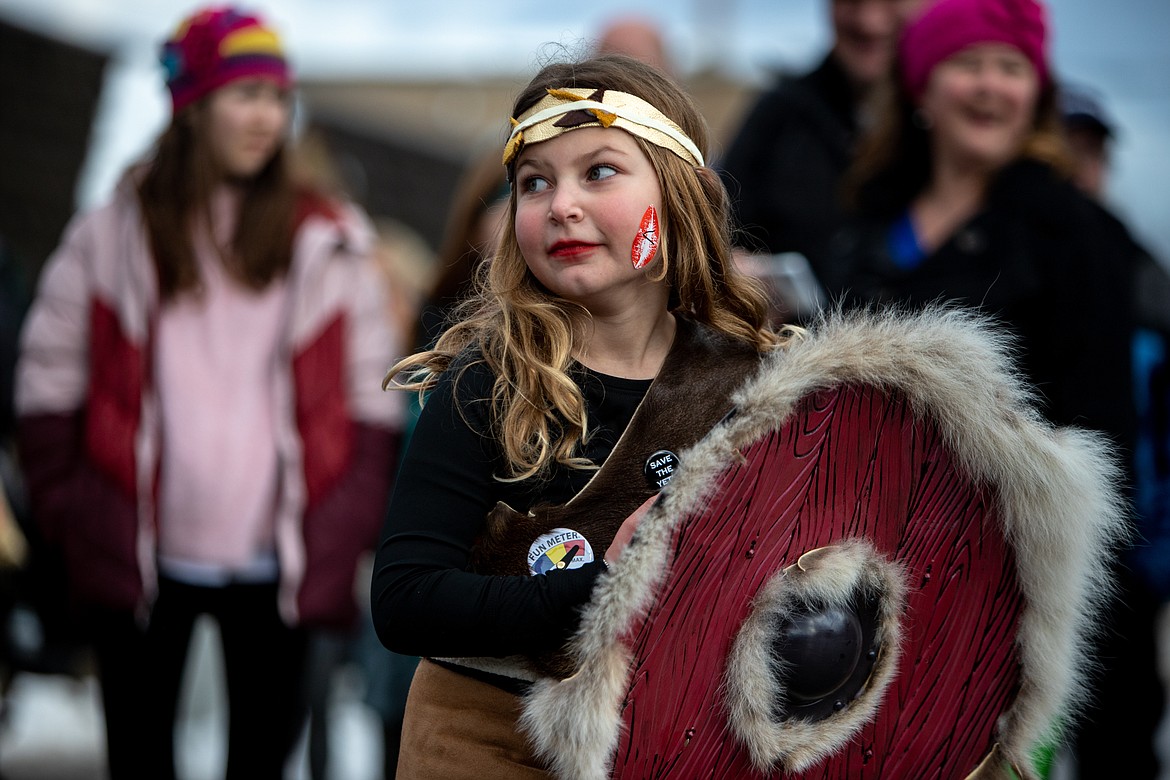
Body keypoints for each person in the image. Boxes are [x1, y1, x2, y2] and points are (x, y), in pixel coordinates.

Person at [14, 6, 403, 778]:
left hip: (277, 560)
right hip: (140, 551)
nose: (266, 116)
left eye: (276, 96)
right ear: (190, 106)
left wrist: (344, 519)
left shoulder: (325, 238)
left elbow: (372, 399)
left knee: (260, 760)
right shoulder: (112, 233)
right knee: (139, 758)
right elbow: (47, 378)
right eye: (243, 93)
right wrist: (74, 509)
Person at [370, 53, 785, 778]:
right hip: (488, 743)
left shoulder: (753, 386)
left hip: (677, 747)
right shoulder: (489, 382)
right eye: (535, 182)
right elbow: (405, 600)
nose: (561, 204)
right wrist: (607, 586)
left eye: (599, 171)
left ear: (679, 192)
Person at [825, 0, 1145, 770]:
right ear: (921, 88)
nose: (991, 87)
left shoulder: (1072, 232)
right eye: (967, 64)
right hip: (861, 561)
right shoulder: (869, 216)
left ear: (1036, 92)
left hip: (1004, 583)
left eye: (1012, 68)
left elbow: (1104, 441)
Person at [1057, 84, 1170, 779]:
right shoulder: (1015, 258)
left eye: (1091, 151)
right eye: (1065, 149)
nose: (1078, 165)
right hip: (1036, 548)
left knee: (1121, 740)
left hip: (1130, 556)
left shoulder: (1142, 271)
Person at [718, 0, 925, 295]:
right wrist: (734, 274)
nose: (870, 21)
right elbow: (720, 226)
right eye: (851, 3)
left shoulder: (952, 127)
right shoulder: (781, 113)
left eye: (891, 2)